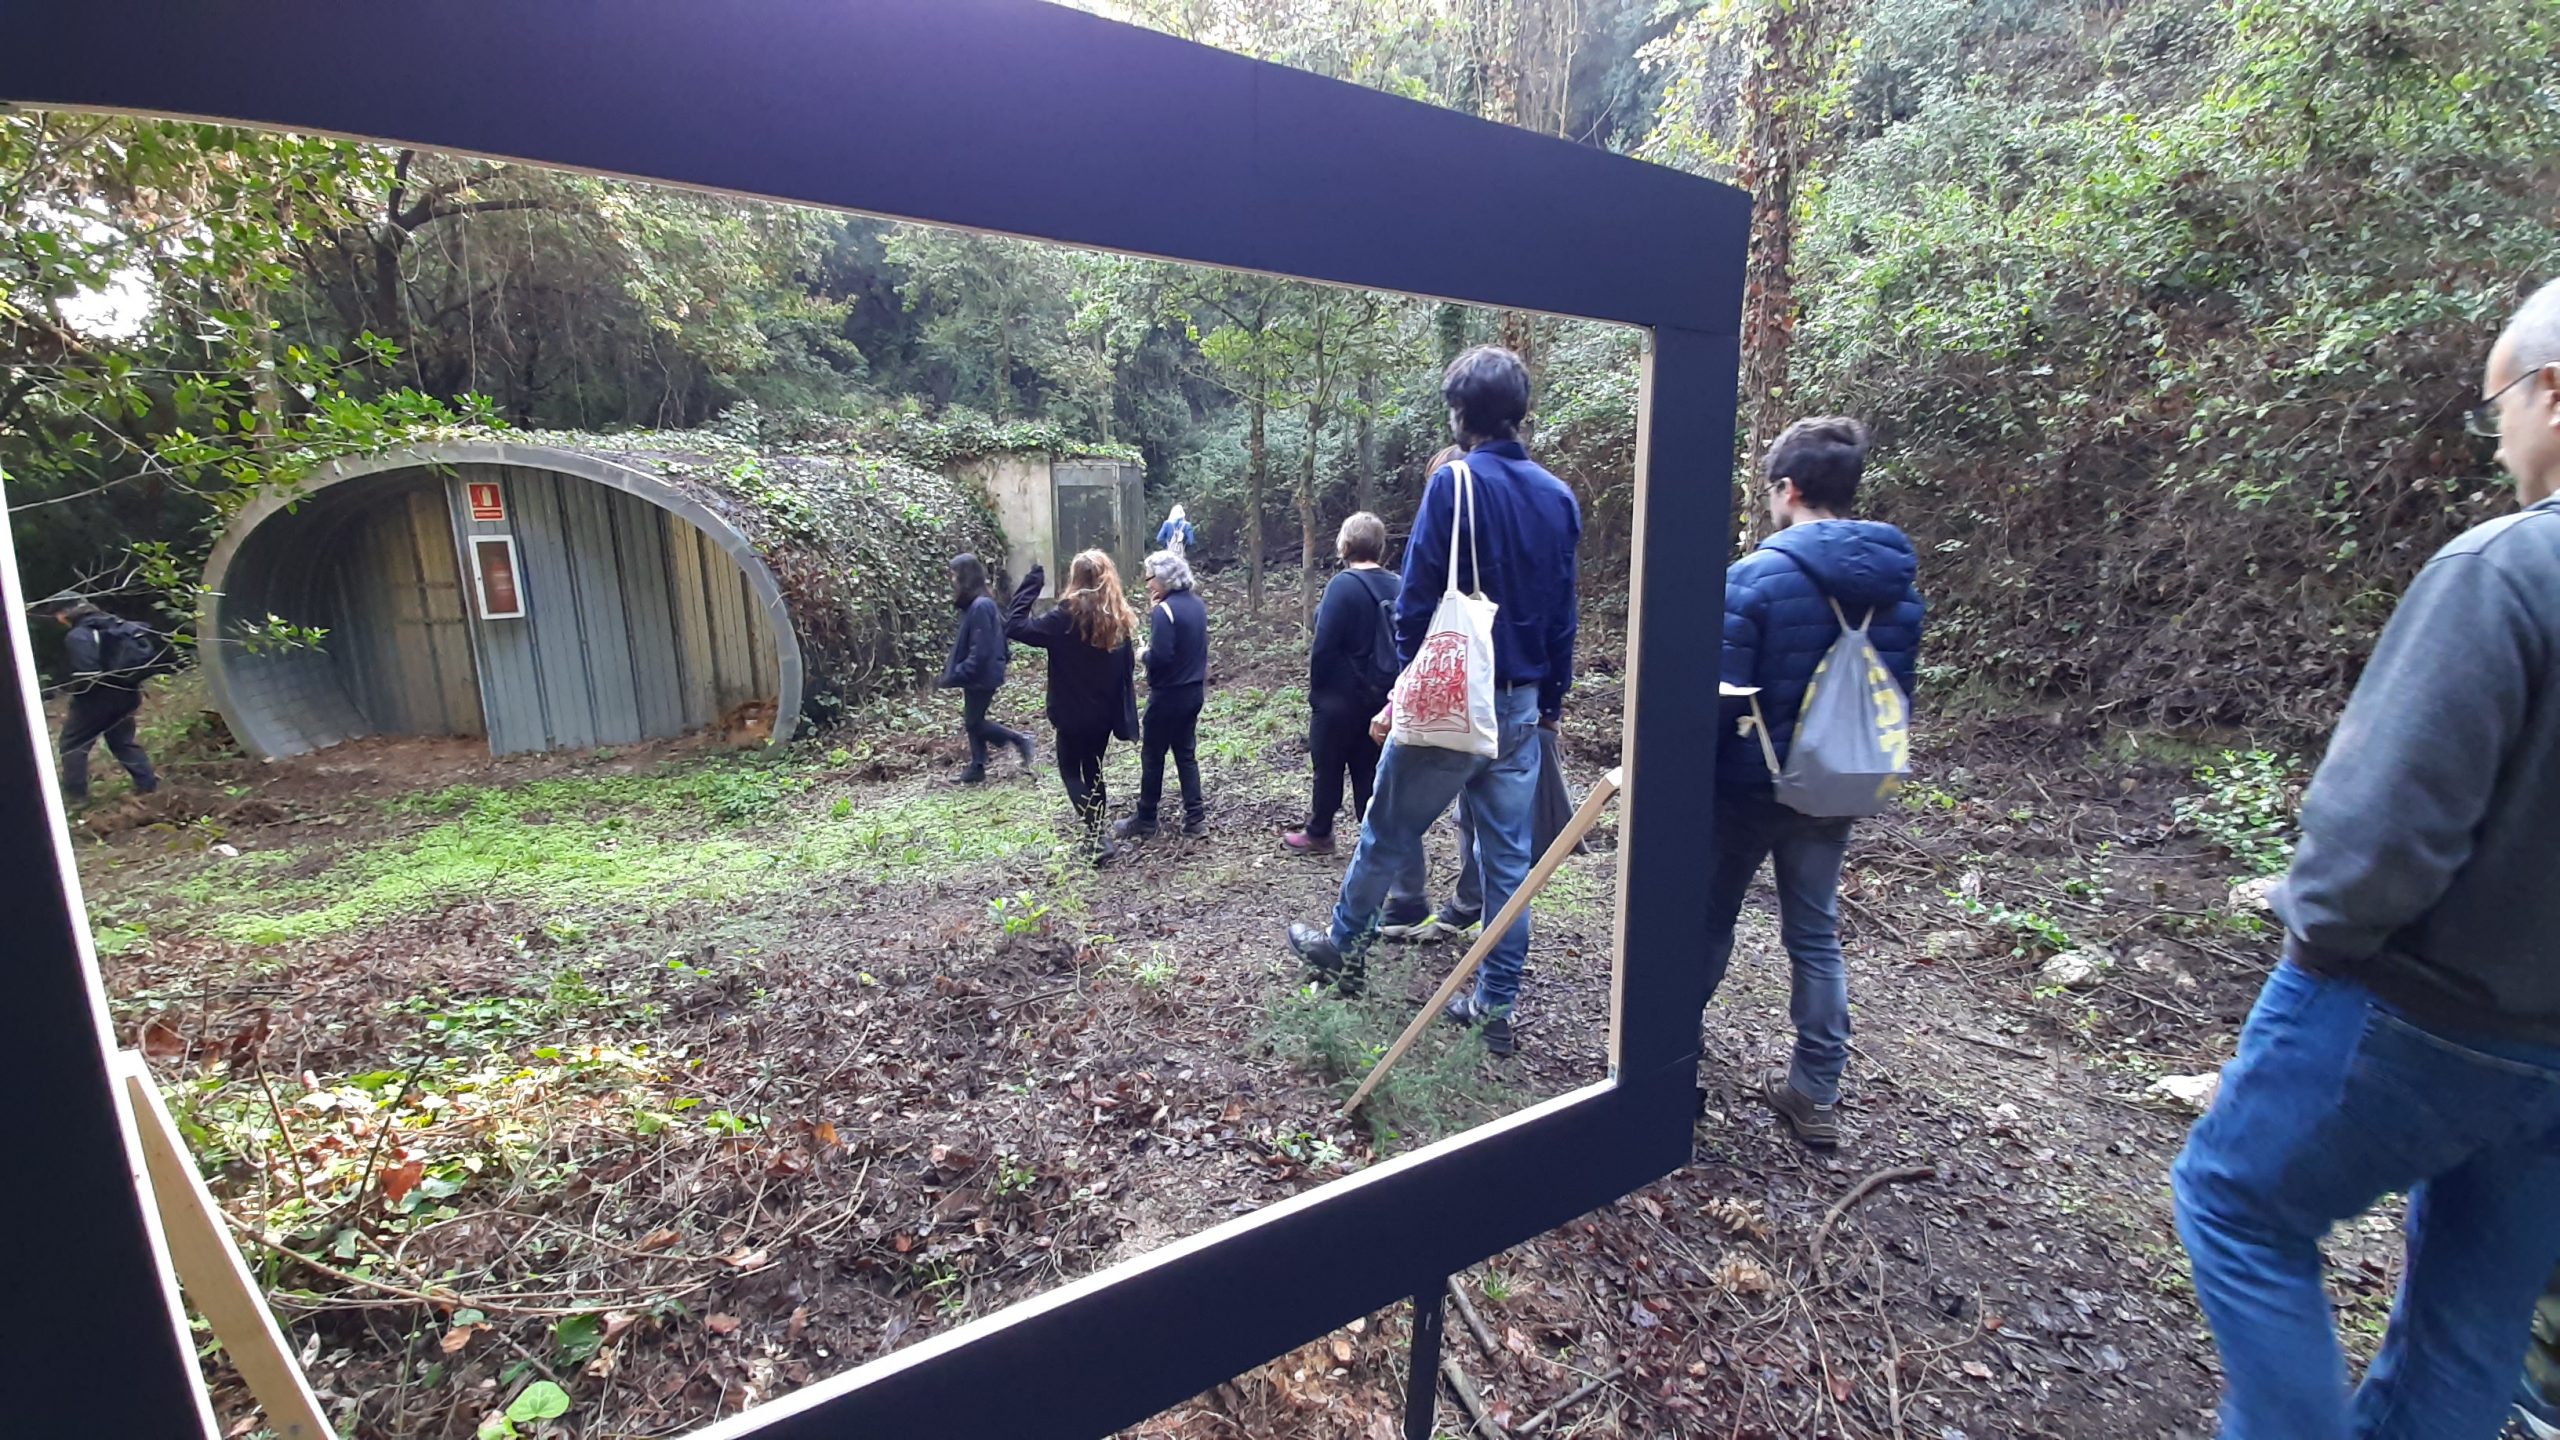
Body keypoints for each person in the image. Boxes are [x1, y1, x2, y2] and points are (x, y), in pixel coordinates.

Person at [2170, 275, 2560, 1440]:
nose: (2491, 438)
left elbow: (2379, 830)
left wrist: (2324, 936)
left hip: (2413, 1010)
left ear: (2551, 393)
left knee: (2235, 1207)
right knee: (2469, 1322)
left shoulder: (2504, 574)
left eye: (2492, 405)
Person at [1285, 346, 1580, 1058]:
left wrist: (1409, 683)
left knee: (1388, 827)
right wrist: (1550, 703)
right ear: (1521, 412)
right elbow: (1566, 613)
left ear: (1459, 414)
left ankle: (1346, 952)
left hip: (1452, 700)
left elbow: (1415, 606)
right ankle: (1494, 1008)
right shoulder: (1559, 497)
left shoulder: (1455, 485)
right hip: (1520, 705)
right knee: (1510, 867)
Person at [1700, 417, 1924, 1149]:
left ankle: (1670, 1058)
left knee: (1708, 920)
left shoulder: (1755, 578)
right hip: (1839, 782)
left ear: (1787, 489)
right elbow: (1897, 691)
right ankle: (1815, 1091)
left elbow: (1721, 696)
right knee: (1815, 934)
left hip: (1747, 784)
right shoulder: (1900, 588)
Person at [1004, 551, 1140, 864]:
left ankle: (1097, 837)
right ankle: (1097, 834)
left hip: (1070, 713)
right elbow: (1127, 668)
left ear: (1075, 578)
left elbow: (1015, 626)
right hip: (1103, 714)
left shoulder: (1064, 617)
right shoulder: (1117, 617)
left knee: (1070, 771)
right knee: (1093, 769)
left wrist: (1031, 584)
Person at [1285, 509, 1405, 855]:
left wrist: (1317, 693)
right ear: (1380, 546)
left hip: (1339, 700)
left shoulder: (1342, 585)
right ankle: (1374, 839)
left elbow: (1324, 647)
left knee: (1329, 767)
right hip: (1382, 700)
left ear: (1345, 544)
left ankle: (1320, 833)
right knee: (1370, 770)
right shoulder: (1397, 584)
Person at [1117, 549, 1208, 839]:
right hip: (1194, 692)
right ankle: (1196, 819)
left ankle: (1145, 818)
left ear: (1165, 578)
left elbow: (1163, 657)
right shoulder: (1196, 605)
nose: (1147, 584)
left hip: (1168, 696)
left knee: (1153, 755)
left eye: (1150, 578)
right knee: (1185, 753)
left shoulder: (1164, 611)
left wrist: (1144, 653)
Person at [45, 597, 160, 804]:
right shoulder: (116, 624)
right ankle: (148, 785)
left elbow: (88, 675)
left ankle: (77, 798)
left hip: (97, 699)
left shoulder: (78, 635)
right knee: (122, 741)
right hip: (128, 693)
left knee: (73, 744)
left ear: (63, 614)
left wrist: (75, 692)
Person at [936, 553, 1034, 784]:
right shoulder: (976, 604)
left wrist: (961, 672)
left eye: (953, 574)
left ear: (964, 575)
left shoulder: (981, 606)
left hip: (982, 674)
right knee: (973, 718)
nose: (951, 580)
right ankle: (977, 766)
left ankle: (1020, 740)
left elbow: (981, 649)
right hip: (979, 673)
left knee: (974, 722)